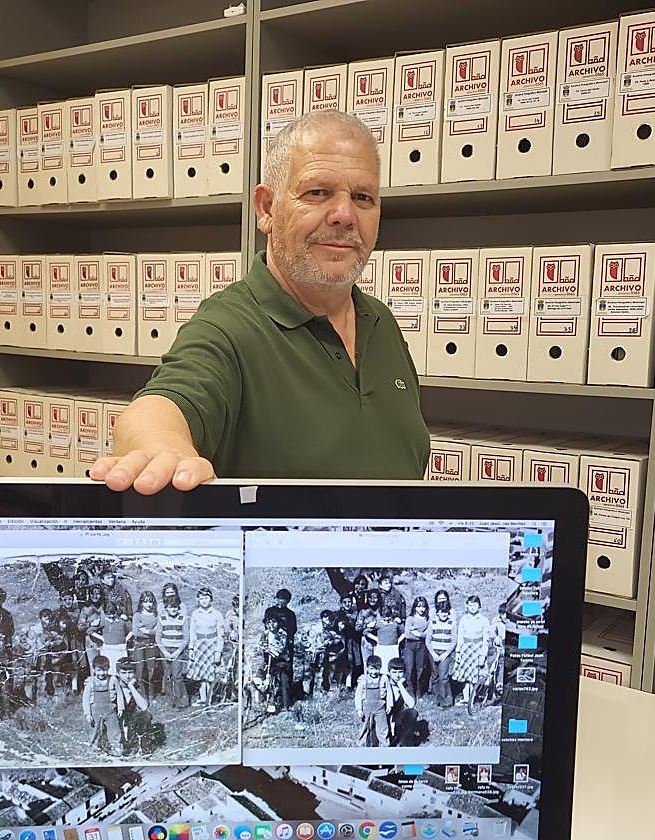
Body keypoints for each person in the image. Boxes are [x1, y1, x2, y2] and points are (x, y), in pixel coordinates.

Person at [89, 110, 429, 495]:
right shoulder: (228, 328)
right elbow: (161, 406)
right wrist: (160, 450)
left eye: (363, 197)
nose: (344, 215)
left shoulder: (381, 322)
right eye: (318, 192)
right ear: (267, 208)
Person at [115, 657, 165, 756]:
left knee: (145, 715)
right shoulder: (113, 684)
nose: (128, 676)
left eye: (130, 672)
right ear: (118, 674)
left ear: (135, 673)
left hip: (131, 719)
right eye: (123, 673)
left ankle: (139, 742)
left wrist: (131, 687)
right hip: (116, 718)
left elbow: (144, 706)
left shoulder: (137, 684)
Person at [186, 587, 225, 705]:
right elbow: (192, 633)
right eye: (201, 598)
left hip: (212, 645)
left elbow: (220, 635)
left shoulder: (217, 614)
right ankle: (203, 698)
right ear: (198, 599)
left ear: (211, 599)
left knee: (211, 674)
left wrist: (218, 651)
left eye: (206, 598)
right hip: (200, 645)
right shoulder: (195, 614)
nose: (204, 601)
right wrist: (191, 649)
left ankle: (210, 698)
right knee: (202, 675)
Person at [452, 595, 491, 707]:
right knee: (466, 676)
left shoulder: (484, 620)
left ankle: (474, 698)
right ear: (467, 606)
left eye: (475, 605)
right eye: (470, 605)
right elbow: (460, 637)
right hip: (466, 649)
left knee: (476, 675)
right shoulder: (464, 619)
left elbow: (486, 639)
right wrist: (458, 652)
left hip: (478, 649)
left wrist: (483, 655)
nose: (473, 607)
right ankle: (466, 699)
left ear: (479, 606)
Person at [82, 655, 124, 756]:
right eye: (99, 670)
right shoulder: (91, 682)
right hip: (96, 712)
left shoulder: (113, 680)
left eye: (105, 670)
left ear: (109, 668)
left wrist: (121, 707)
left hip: (110, 711)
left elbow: (119, 694)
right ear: (94, 670)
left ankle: (116, 747)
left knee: (114, 730)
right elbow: (86, 699)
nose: (102, 673)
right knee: (94, 731)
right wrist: (88, 714)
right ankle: (93, 748)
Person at [157, 583, 190, 709]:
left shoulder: (182, 619)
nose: (173, 610)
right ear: (166, 608)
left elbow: (186, 637)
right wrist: (164, 651)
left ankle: (182, 701)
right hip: (165, 650)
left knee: (177, 676)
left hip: (177, 651)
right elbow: (158, 637)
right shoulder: (162, 619)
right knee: (168, 674)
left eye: (175, 608)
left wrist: (177, 652)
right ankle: (171, 700)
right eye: (171, 608)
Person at [426, 592, 457, 708]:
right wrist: (433, 653)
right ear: (437, 613)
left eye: (445, 612)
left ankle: (447, 700)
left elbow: (454, 641)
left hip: (445, 653)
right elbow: (428, 641)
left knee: (443, 676)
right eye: (441, 612)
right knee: (435, 675)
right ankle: (437, 697)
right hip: (433, 652)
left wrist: (446, 654)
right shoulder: (432, 622)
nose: (443, 614)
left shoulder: (452, 623)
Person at [385, 657, 424, 747]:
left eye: (400, 672)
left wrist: (400, 686)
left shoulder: (406, 684)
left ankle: (406, 744)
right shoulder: (384, 682)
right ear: (389, 673)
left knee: (412, 713)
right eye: (394, 672)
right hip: (385, 716)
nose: (397, 675)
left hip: (398, 717)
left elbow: (411, 704)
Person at [54, 590, 87, 694]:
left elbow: (81, 624)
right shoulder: (58, 612)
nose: (68, 602)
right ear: (61, 601)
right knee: (65, 662)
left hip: (75, 640)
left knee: (76, 661)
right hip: (64, 641)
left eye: (70, 599)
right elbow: (55, 627)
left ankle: (75, 686)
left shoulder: (77, 611)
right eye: (65, 600)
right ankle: (66, 684)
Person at [354, 654, 390, 747]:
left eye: (377, 669)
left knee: (383, 728)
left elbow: (389, 692)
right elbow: (358, 695)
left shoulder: (384, 678)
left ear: (380, 668)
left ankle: (385, 745)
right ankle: (361, 745)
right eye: (371, 669)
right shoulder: (363, 679)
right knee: (365, 727)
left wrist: (390, 704)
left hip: (380, 708)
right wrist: (359, 709)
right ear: (367, 669)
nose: (374, 672)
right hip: (367, 708)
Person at [131, 591, 160, 701]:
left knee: (151, 669)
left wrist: (145, 630)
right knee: (140, 669)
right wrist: (150, 631)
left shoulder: (155, 615)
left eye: (151, 602)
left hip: (151, 644)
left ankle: (151, 694)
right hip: (139, 644)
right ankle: (143, 695)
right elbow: (136, 632)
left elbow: (157, 631)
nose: (148, 604)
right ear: (141, 603)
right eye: (146, 602)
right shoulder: (137, 615)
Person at [402, 596, 432, 699]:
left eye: (423, 606)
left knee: (421, 670)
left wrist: (417, 633)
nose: (421, 609)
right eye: (419, 606)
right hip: (410, 646)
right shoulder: (410, 619)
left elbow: (428, 634)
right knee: (410, 669)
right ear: (415, 607)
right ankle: (411, 693)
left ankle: (419, 692)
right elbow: (407, 634)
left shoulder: (428, 619)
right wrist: (421, 633)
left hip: (422, 646)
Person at [262, 615, 293, 714]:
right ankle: (267, 701)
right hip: (270, 660)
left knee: (284, 680)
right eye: (269, 622)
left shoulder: (282, 633)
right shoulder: (265, 634)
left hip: (282, 660)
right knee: (265, 676)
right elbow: (261, 644)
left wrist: (273, 650)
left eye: (274, 622)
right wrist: (264, 648)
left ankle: (286, 706)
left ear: (278, 623)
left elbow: (282, 647)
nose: (271, 625)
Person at [98, 601, 131, 674]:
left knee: (120, 668)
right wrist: (101, 638)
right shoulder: (103, 621)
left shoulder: (121, 621)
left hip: (121, 648)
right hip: (108, 648)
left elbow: (132, 630)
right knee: (109, 669)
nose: (111, 616)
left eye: (113, 613)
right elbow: (90, 630)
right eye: (108, 614)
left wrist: (126, 639)